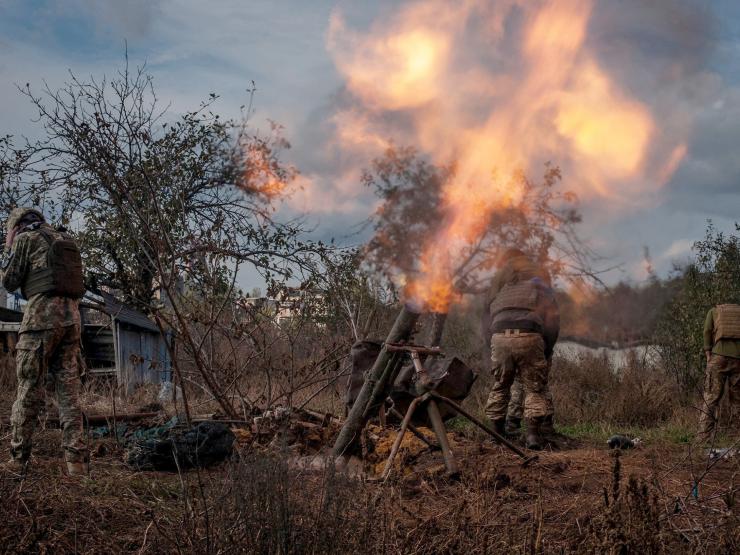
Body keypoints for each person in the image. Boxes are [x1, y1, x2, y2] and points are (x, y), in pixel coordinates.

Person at [0, 207, 88, 476]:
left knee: (28, 390)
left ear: (15, 226)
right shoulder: (63, 239)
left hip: (40, 322)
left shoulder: (25, 240)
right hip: (72, 321)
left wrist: (8, 247)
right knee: (69, 393)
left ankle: (18, 460)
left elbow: (9, 281)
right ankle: (76, 464)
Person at [483, 248, 557, 450]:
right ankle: (532, 436)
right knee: (534, 387)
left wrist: (491, 341)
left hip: (499, 335)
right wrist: (547, 347)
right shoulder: (539, 277)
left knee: (500, 384)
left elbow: (486, 314)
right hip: (530, 334)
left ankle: (497, 434)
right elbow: (552, 317)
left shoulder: (500, 282)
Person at [696, 303, 740, 442]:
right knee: (738, 400)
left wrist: (708, 352)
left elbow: (707, 331)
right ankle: (737, 437)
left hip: (718, 358)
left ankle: (704, 437)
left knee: (711, 397)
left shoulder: (714, 311)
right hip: (739, 360)